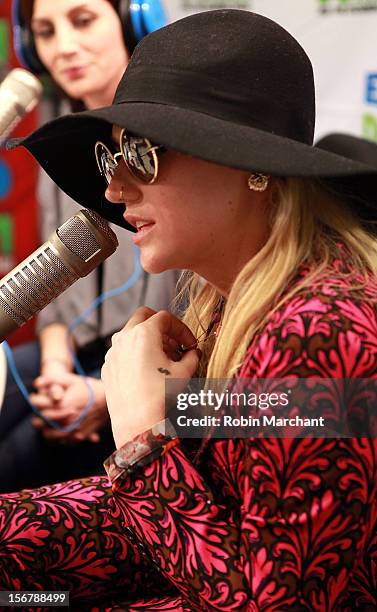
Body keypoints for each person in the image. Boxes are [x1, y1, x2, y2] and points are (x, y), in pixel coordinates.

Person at [1, 9, 377, 610]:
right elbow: (193, 520)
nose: (115, 190)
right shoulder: (238, 307)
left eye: (140, 154)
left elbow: (265, 601)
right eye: (109, 161)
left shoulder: (326, 328)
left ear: (250, 166)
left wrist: (142, 435)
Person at [0, 0, 179, 492]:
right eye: (45, 31)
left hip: (154, 376)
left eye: (82, 21)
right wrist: (57, 366)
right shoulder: (57, 145)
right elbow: (53, 290)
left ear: (131, 22)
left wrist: (109, 395)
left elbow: (209, 355)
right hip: (74, 358)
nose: (64, 48)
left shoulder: (182, 158)